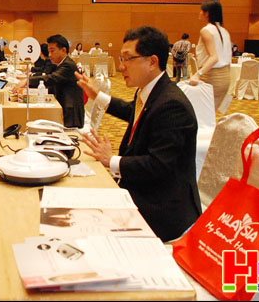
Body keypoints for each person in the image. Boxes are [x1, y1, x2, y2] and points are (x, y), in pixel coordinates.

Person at [75, 26, 201, 242]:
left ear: (152, 62)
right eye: (121, 59)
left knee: (84, 224)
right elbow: (133, 112)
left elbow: (158, 165)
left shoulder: (172, 105)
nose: (121, 66)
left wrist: (111, 160)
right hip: (142, 189)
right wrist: (98, 95)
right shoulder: (151, 90)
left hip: (162, 209)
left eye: (128, 59)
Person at [15, 34, 84, 128]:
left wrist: (28, 80)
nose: (50, 55)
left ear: (63, 50)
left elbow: (52, 78)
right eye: (49, 51)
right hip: (65, 107)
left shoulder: (68, 65)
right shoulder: (62, 63)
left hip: (71, 113)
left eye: (52, 51)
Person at [189, 0, 232, 110]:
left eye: (201, 11)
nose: (199, 13)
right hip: (225, 76)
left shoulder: (206, 30)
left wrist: (198, 74)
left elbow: (214, 57)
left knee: (203, 111)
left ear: (207, 13)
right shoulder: (224, 31)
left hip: (212, 76)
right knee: (211, 110)